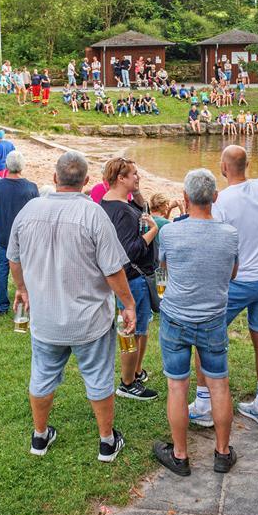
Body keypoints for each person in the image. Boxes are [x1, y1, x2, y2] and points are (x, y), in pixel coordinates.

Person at [7, 151, 134, 462]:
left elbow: (13, 257)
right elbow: (113, 269)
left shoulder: (29, 211)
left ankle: (39, 436)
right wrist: (128, 303)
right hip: (89, 319)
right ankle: (106, 441)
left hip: (46, 317)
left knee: (42, 375)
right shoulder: (93, 214)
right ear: (87, 182)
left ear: (54, 178)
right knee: (98, 376)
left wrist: (22, 288)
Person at [189, 146, 258, 429]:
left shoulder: (221, 200)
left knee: (206, 337)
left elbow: (216, 242)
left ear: (223, 168)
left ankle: (203, 404)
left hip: (236, 281)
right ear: (247, 164)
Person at [152, 169, 239, 476]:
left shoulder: (169, 233)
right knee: (219, 385)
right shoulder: (229, 234)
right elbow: (232, 274)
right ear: (214, 198)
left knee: (177, 386)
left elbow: (163, 269)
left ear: (185, 199)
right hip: (213, 318)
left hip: (176, 316)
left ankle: (180, 455)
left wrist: (171, 287)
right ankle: (222, 452)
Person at [99, 158, 159, 401]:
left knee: (133, 330)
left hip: (131, 278)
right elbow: (129, 250)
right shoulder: (122, 212)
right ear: (120, 179)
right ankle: (127, 382)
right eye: (134, 174)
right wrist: (154, 231)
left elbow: (142, 211)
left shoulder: (112, 203)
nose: (138, 177)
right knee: (131, 331)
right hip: (133, 278)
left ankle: (134, 372)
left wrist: (138, 192)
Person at [0, 151, 38, 316]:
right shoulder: (31, 187)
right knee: (28, 269)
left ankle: (2, 306)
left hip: (5, 234)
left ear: (7, 166)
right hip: (26, 236)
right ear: (22, 166)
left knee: (3, 269)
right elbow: (37, 212)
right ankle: (30, 302)